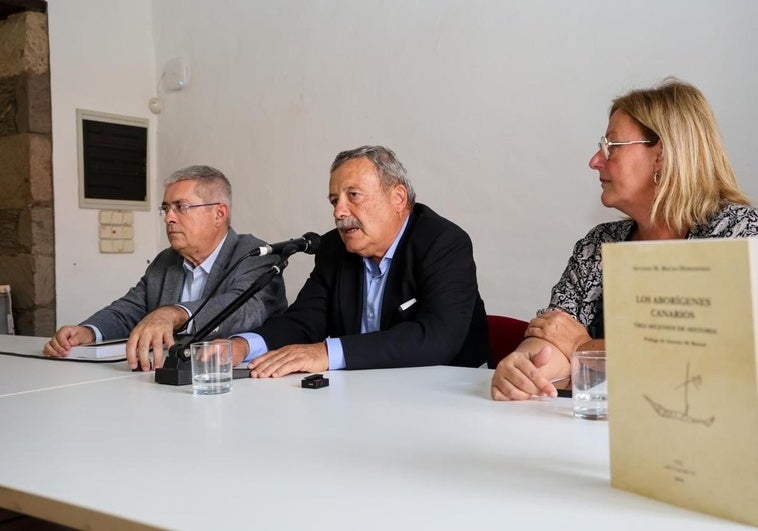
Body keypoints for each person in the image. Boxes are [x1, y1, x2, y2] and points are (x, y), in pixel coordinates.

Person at [491, 78, 758, 401]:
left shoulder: (737, 234)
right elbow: (554, 333)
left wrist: (584, 347)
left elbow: (718, 360)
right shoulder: (599, 245)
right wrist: (525, 368)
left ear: (661, 156)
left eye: (610, 146)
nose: (595, 161)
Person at [231, 145, 490, 376]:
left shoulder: (442, 242)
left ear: (398, 198)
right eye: (335, 201)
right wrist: (243, 345)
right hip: (363, 394)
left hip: (448, 391)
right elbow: (304, 321)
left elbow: (437, 338)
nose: (338, 211)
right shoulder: (334, 247)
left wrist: (326, 353)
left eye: (353, 195)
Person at [44, 165, 288, 371]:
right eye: (166, 208)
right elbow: (131, 308)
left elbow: (243, 309)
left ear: (219, 214)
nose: (168, 218)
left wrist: (174, 313)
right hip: (165, 382)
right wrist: (89, 331)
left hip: (235, 384)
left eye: (181, 207)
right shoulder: (167, 260)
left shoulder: (254, 254)